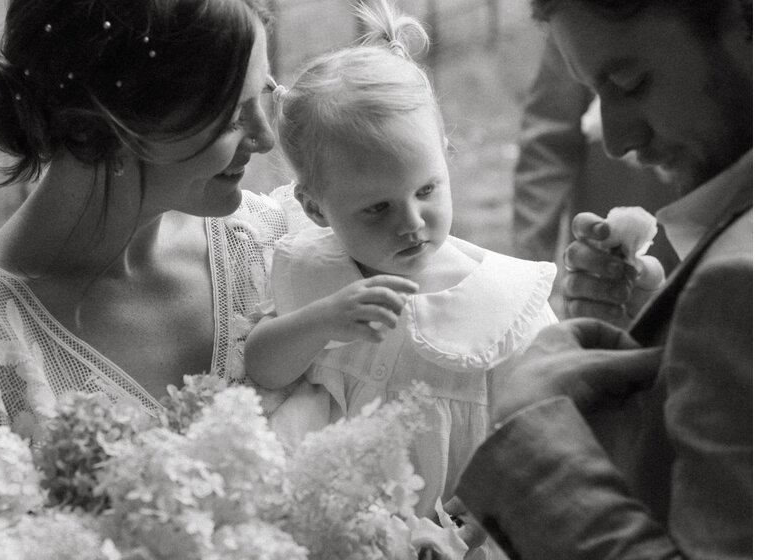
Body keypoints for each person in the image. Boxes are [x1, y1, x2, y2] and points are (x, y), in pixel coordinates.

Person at [0, 0, 289, 440]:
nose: (265, 137)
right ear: (108, 125)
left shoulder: (275, 248)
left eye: (265, 93)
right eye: (232, 116)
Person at [455, 0, 752, 557]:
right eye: (596, 94)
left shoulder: (738, 285)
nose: (615, 140)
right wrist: (671, 345)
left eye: (631, 82)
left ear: (742, 22)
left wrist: (535, 443)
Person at [243, 0, 559, 525]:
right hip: (327, 527)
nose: (411, 222)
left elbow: (539, 425)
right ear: (316, 207)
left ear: (446, 153)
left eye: (427, 190)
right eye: (377, 208)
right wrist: (322, 321)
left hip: (449, 531)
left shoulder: (501, 302)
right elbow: (264, 369)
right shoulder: (311, 270)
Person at [512, 34, 680, 279]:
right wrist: (528, 273)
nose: (614, 142)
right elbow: (547, 148)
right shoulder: (574, 25)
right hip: (608, 267)